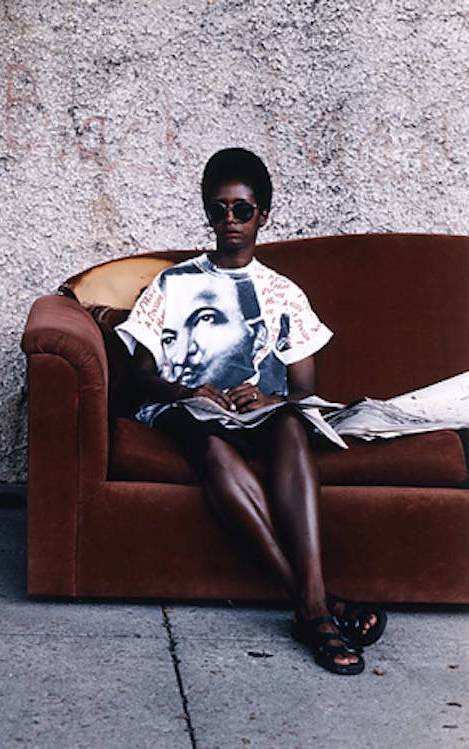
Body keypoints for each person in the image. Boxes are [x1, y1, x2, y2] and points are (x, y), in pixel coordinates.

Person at [116, 148, 387, 675]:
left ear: (263, 215)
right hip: (188, 412)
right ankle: (317, 607)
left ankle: (313, 601)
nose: (230, 221)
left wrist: (270, 400)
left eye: (242, 210)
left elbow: (304, 392)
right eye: (219, 210)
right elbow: (138, 377)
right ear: (207, 214)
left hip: (257, 416)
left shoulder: (283, 294)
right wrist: (187, 392)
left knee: (290, 426)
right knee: (212, 445)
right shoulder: (173, 284)